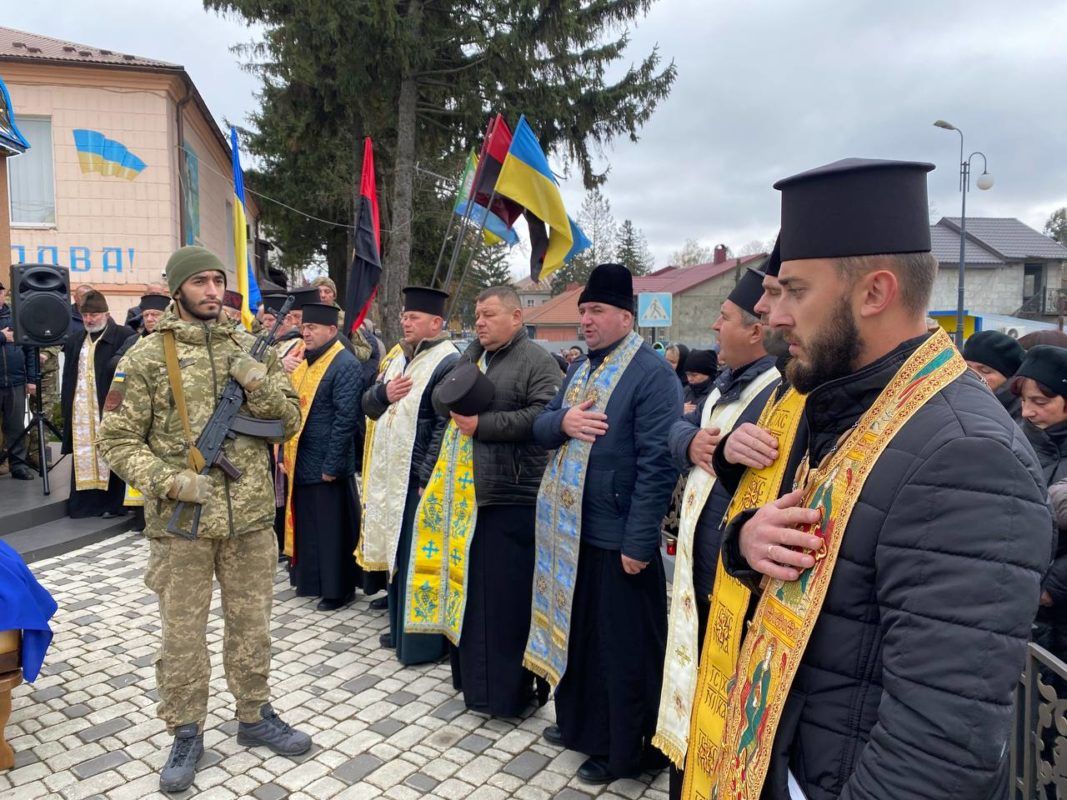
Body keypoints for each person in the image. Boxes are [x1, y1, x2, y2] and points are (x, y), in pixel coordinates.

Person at [693, 158, 1053, 800]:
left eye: (796, 291)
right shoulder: (838, 401)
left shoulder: (967, 456)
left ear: (874, 293)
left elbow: (938, 752)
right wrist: (747, 541)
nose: (774, 316)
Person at [97, 245, 311, 793]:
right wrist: (171, 481)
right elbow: (115, 439)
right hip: (181, 523)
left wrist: (258, 381)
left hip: (250, 520)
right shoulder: (145, 358)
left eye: (218, 280)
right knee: (182, 634)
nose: (213, 291)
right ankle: (186, 730)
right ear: (178, 290)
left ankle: (254, 715)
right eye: (201, 282)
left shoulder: (250, 347)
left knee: (252, 625)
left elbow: (287, 423)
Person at [529, 263, 680, 784]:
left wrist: (639, 542)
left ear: (625, 315)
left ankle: (627, 751)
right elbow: (541, 426)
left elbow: (659, 465)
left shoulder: (652, 374)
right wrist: (565, 421)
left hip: (620, 540)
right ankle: (582, 728)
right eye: (583, 311)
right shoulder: (580, 369)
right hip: (572, 535)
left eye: (596, 311)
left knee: (622, 651)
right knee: (582, 641)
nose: (586, 321)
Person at [654, 268, 781, 791]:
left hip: (735, 577)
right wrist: (690, 443)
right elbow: (683, 428)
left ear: (755, 330)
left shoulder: (777, 391)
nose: (713, 326)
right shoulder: (726, 384)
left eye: (724, 318)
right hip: (700, 568)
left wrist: (718, 450)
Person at [412, 285, 561, 717]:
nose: (479, 322)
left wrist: (484, 425)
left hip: (511, 497)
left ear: (517, 317)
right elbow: (442, 401)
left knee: (505, 605)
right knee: (470, 598)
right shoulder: (473, 355)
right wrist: (466, 362)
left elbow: (545, 417)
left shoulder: (538, 361)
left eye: (489, 315)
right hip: (465, 500)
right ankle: (474, 688)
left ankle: (511, 696)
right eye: (477, 315)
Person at [359, 286, 459, 664]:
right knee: (398, 551)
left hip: (417, 480)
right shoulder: (398, 358)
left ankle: (423, 640)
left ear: (436, 322)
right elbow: (368, 405)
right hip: (390, 476)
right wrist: (384, 393)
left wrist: (425, 475)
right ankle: (400, 625)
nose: (405, 321)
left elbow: (442, 426)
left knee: (419, 557)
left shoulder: (448, 361)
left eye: (414, 317)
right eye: (404, 316)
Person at [283, 303, 365, 610]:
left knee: (331, 530)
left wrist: (332, 465)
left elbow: (346, 420)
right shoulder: (305, 361)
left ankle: (338, 589)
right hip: (304, 459)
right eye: (305, 327)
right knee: (310, 525)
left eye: (313, 328)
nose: (306, 332)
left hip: (328, 465)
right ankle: (313, 581)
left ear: (332, 331)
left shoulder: (345, 364)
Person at [60, 290, 137, 518]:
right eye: (85, 315)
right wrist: (66, 409)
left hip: (110, 408)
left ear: (106, 314)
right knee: (85, 452)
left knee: (111, 451)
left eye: (94, 315)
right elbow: (67, 379)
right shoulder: (75, 340)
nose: (89, 320)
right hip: (81, 412)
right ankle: (86, 506)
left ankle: (114, 505)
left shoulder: (124, 336)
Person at [1013, 346, 1067, 665]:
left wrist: (1051, 586)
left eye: (1040, 402)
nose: (1027, 412)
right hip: (1019, 604)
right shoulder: (1016, 441)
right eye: (1023, 401)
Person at [0, 281, 36, 480]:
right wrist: (2, 337)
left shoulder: (16, 316)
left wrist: (31, 379)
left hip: (15, 382)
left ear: (4, 293)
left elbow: (30, 349)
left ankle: (18, 465)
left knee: (15, 427)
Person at [963, 329, 1025, 420]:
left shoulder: (1025, 414)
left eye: (984, 370)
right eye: (967, 368)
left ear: (1009, 377)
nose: (972, 375)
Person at [681, 349, 717, 413]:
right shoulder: (686, 390)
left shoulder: (716, 394)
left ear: (708, 374)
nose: (689, 379)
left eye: (694, 375)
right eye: (687, 374)